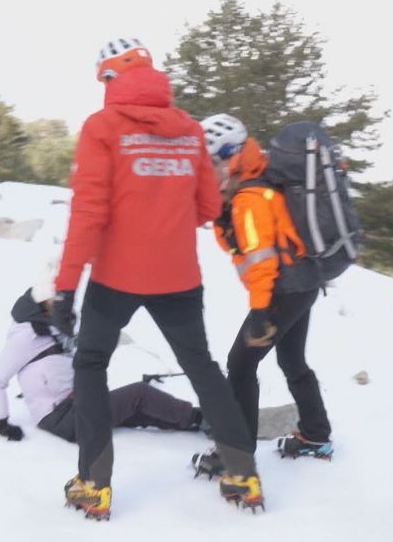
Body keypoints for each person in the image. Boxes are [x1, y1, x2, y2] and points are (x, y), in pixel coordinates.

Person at [52, 39, 262, 520]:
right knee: (202, 367)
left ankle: (94, 484)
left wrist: (65, 286)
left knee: (91, 364)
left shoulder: (101, 127)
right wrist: (164, 214)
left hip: (115, 276)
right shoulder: (188, 129)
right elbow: (208, 207)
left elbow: (88, 213)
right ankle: (242, 474)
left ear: (110, 77)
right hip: (178, 277)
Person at [191, 114, 333, 478]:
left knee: (240, 364)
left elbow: (261, 261)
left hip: (283, 289)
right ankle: (316, 435)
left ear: (230, 156)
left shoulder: (251, 197)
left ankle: (237, 453)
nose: (206, 171)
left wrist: (259, 313)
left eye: (210, 162)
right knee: (292, 359)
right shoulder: (255, 180)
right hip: (302, 282)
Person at [0, 288, 204, 443]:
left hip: (76, 403)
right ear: (42, 303)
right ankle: (202, 419)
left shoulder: (56, 329)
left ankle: (196, 421)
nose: (62, 305)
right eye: (55, 300)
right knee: (140, 394)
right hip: (62, 417)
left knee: (138, 409)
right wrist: (2, 423)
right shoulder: (27, 335)